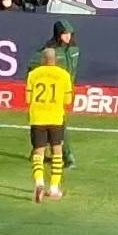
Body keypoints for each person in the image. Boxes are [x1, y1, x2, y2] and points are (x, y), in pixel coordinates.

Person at [25, 46, 73, 202]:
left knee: (38, 152)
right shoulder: (64, 75)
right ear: (55, 60)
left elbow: (27, 99)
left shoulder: (33, 75)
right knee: (57, 151)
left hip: (37, 118)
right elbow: (68, 100)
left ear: (42, 59)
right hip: (55, 118)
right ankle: (54, 188)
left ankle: (39, 183)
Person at [47, 20, 80, 167]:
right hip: (52, 92)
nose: (67, 36)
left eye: (69, 33)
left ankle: (38, 152)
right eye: (64, 33)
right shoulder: (50, 50)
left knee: (53, 123)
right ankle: (68, 156)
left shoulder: (74, 50)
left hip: (67, 91)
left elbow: (73, 71)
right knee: (60, 123)